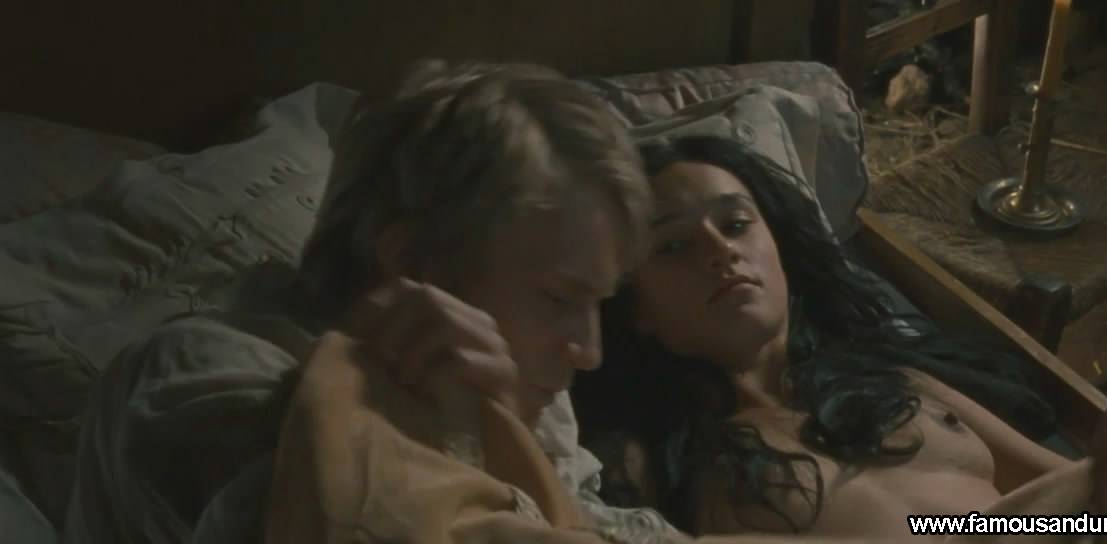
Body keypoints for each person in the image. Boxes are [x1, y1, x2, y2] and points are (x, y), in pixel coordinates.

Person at [60, 60, 669, 544]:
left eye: (598, 303)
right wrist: (464, 438)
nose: (588, 351)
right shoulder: (200, 383)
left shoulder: (524, 397)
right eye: (560, 297)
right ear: (415, 266)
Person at [571, 134, 1107, 540]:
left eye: (736, 224)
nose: (720, 251)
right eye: (673, 246)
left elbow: (1100, 499)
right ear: (633, 309)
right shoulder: (661, 464)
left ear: (780, 252)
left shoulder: (904, 384)